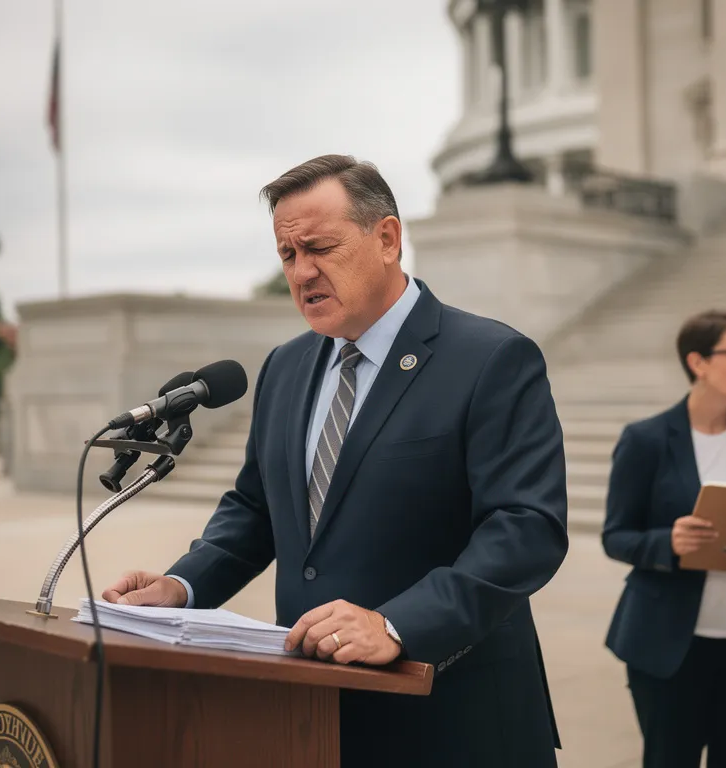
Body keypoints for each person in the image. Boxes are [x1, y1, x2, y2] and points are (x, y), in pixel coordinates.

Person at [101, 155, 569, 767]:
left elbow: (526, 528)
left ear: (387, 239)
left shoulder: (491, 358)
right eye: (288, 256)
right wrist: (183, 586)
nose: (302, 272)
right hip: (313, 713)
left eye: (320, 247)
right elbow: (256, 508)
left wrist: (397, 626)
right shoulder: (286, 366)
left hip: (453, 715)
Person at [602, 310, 726, 768]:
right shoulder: (646, 439)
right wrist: (669, 542)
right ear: (698, 362)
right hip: (668, 649)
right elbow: (616, 535)